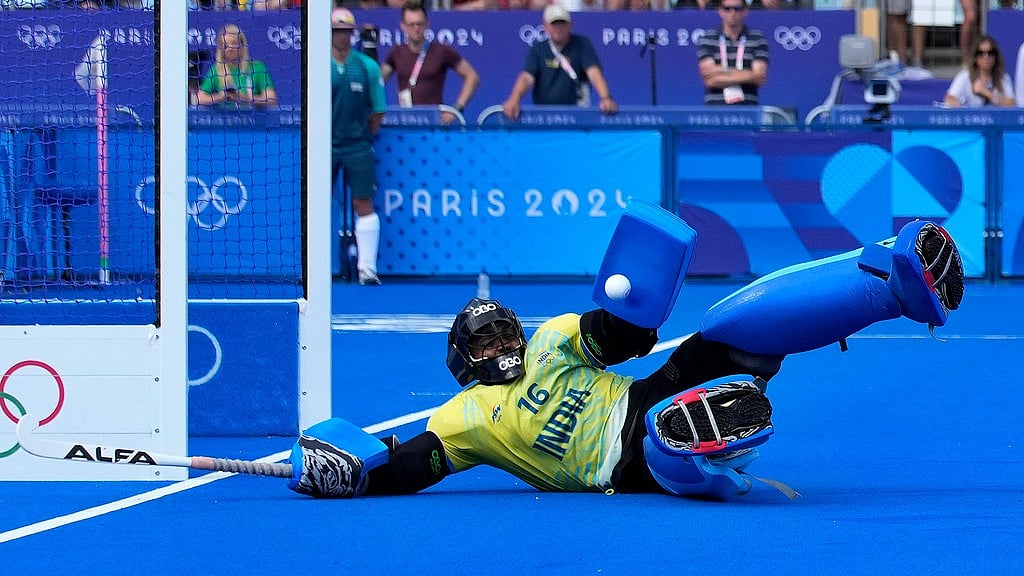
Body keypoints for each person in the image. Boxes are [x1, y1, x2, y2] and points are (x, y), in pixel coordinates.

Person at [287, 213, 965, 501]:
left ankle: (891, 286)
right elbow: (413, 464)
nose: (502, 345)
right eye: (485, 341)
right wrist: (354, 477)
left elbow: (624, 340)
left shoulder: (551, 339)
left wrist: (629, 311)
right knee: (671, 442)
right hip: (619, 465)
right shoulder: (463, 418)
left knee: (729, 328)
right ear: (463, 360)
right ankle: (707, 443)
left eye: (504, 332)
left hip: (640, 394)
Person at [331, 8, 387, 286]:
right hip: (323, 147)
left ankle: (367, 268)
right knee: (316, 204)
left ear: (352, 34)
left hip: (357, 145)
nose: (341, 36)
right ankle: (320, 267)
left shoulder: (367, 66)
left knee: (363, 201)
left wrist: (365, 136)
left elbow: (378, 110)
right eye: (336, 31)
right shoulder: (317, 64)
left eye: (345, 31)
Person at [502, 4, 618, 120]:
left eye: (562, 23)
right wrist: (514, 98)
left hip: (577, 115)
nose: (558, 28)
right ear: (545, 26)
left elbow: (594, 73)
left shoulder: (582, 45)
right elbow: (527, 77)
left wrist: (606, 98)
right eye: (554, 24)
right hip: (544, 117)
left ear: (571, 25)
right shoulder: (538, 49)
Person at [381, 1, 480, 125]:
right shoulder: (396, 52)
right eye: (411, 24)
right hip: (405, 121)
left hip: (434, 122)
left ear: (427, 24)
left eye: (420, 24)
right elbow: (378, 81)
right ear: (403, 26)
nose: (416, 29)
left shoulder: (441, 51)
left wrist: (456, 109)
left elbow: (472, 76)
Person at [696, 0, 769, 106]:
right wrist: (749, 74)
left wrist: (721, 71)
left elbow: (759, 77)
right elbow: (710, 80)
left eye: (737, 8)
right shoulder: (707, 38)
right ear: (720, 11)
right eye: (727, 8)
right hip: (715, 109)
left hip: (747, 108)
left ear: (745, 11)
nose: (732, 13)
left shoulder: (758, 38)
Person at [195, 24, 278, 108]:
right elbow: (200, 99)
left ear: (242, 45)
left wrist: (246, 98)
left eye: (234, 43)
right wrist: (223, 96)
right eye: (225, 45)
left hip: (254, 119)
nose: (230, 48)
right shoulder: (216, 70)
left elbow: (271, 99)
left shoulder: (257, 67)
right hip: (226, 118)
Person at [943, 36, 1016, 108]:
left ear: (996, 56)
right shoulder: (965, 76)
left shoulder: (1003, 78)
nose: (986, 57)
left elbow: (1011, 103)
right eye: (980, 53)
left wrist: (987, 93)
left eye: (990, 53)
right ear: (975, 57)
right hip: (971, 118)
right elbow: (950, 99)